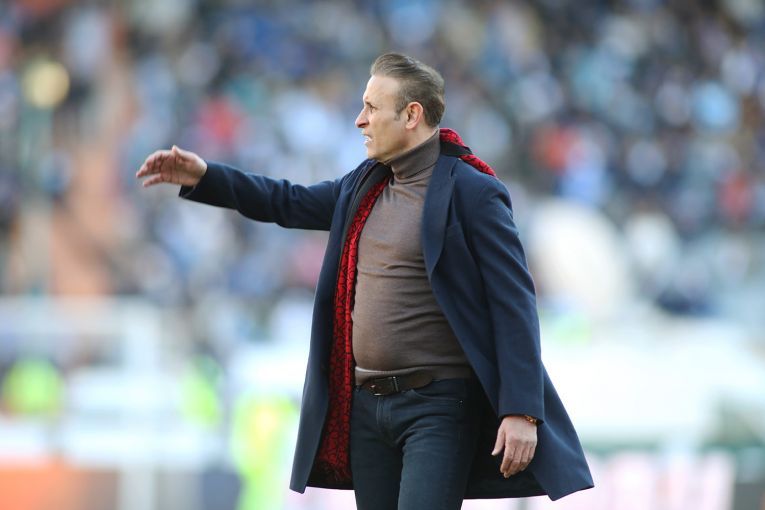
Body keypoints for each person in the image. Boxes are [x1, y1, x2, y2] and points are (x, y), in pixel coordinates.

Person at [137, 53, 593, 509]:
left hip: (439, 407)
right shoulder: (363, 186)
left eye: (372, 108)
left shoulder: (473, 192)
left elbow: (513, 304)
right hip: (367, 410)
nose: (360, 120)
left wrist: (521, 410)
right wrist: (206, 177)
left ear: (411, 115)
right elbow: (287, 201)